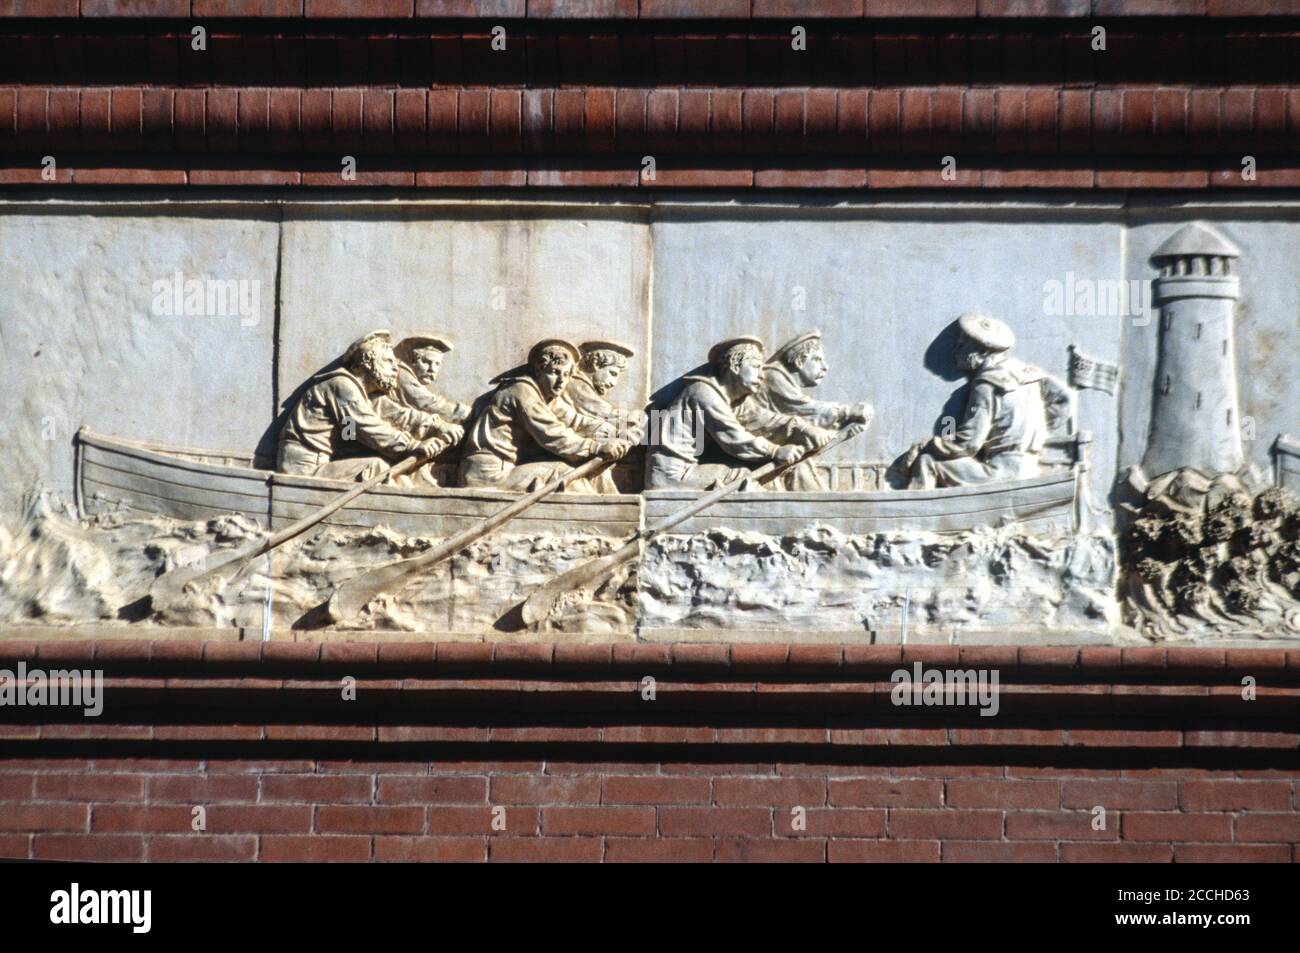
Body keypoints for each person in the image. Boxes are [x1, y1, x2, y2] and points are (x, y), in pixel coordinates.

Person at [908, 313, 1074, 489]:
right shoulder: (1028, 374)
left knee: (927, 461)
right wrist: (1031, 429)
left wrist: (931, 445)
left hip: (1002, 472)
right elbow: (1065, 398)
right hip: (1030, 467)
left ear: (983, 352)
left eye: (962, 345)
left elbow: (969, 443)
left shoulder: (986, 384)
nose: (956, 351)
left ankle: (911, 513)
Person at [647, 335, 832, 491]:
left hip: (687, 470)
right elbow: (735, 440)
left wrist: (805, 430)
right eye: (755, 366)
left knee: (784, 470)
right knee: (742, 476)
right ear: (735, 366)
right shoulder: (702, 393)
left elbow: (763, 420)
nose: (762, 375)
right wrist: (775, 450)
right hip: (672, 475)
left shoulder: (732, 399)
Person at [457, 338, 631, 493]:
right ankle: (603, 514)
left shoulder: (547, 397)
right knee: (564, 472)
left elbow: (575, 420)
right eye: (554, 372)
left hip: (506, 469)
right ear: (539, 370)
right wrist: (596, 448)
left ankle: (611, 504)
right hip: (488, 474)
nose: (561, 380)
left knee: (582, 469)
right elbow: (552, 434)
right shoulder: (521, 392)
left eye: (566, 374)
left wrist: (611, 432)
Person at [276, 330, 450, 482]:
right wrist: (412, 446)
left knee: (389, 468)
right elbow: (368, 427)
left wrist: (436, 424)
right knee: (376, 466)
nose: (395, 369)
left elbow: (392, 414)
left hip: (323, 461)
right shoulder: (341, 386)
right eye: (388, 361)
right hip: (304, 469)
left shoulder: (363, 393)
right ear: (368, 361)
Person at [755, 330, 873, 489]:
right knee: (802, 472)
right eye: (817, 360)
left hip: (779, 455)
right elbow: (806, 410)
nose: (825, 367)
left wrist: (845, 432)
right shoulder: (773, 377)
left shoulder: (782, 379)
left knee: (804, 471)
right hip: (757, 456)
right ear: (799, 362)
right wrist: (847, 411)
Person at [392, 333, 471, 429]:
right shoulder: (402, 375)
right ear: (413, 360)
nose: (432, 369)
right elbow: (429, 404)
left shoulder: (412, 377)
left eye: (437, 364)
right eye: (427, 362)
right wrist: (467, 412)